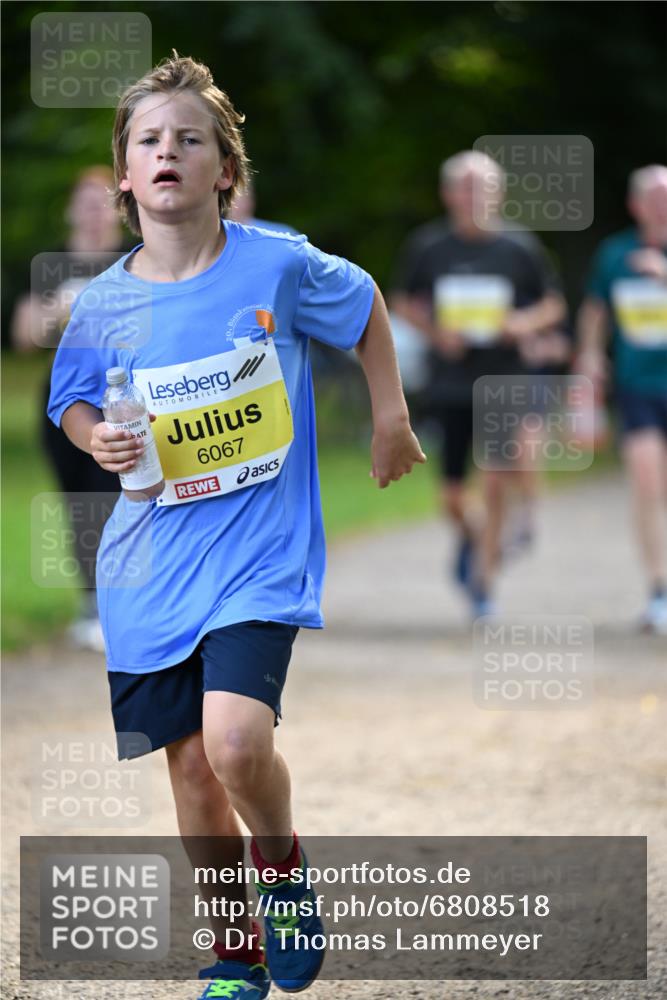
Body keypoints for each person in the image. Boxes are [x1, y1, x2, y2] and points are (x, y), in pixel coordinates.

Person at [46, 52, 426, 999]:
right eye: (149, 141)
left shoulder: (279, 264)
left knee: (236, 745)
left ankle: (284, 868)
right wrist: (99, 443)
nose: (169, 152)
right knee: (189, 777)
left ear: (226, 169)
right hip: (146, 570)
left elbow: (367, 304)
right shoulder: (104, 302)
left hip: (256, 557)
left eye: (191, 139)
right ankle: (232, 951)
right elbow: (71, 402)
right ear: (127, 176)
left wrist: (390, 416)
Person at [391, 151, 566, 617]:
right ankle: (475, 543)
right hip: (449, 384)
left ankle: (484, 585)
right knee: (451, 498)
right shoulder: (430, 246)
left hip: (503, 378)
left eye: (483, 189)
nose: (474, 198)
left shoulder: (519, 248)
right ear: (449, 194)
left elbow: (553, 305)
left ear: (498, 194)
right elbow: (403, 301)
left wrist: (521, 323)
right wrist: (435, 333)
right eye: (465, 188)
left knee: (494, 483)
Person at [10, 166, 129, 651]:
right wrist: (55, 314)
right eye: (85, 202)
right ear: (70, 210)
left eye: (102, 202)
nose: (94, 212)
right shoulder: (51, 265)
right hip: (62, 405)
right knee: (80, 504)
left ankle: (126, 603)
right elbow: (22, 336)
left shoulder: (135, 260)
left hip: (121, 402)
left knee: (120, 498)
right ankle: (90, 605)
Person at [577, 164, 667, 633]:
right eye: (655, 197)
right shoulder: (616, 255)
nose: (663, 205)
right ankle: (658, 591)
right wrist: (591, 355)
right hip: (639, 387)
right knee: (648, 483)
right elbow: (595, 311)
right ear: (637, 205)